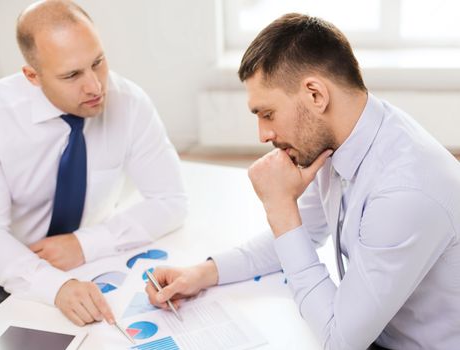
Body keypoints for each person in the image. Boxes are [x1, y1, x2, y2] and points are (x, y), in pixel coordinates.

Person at [145, 13, 460, 350]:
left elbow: (339, 341)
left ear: (315, 95)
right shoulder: (342, 138)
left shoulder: (403, 193)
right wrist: (202, 273)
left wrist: (280, 208)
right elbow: (302, 233)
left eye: (267, 114)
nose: (263, 134)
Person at [0, 0, 187, 328]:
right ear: (32, 76)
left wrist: (84, 244)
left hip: (98, 261)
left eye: (98, 62)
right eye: (72, 75)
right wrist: (56, 287)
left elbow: (171, 202)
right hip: (9, 275)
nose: (95, 86)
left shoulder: (130, 103)